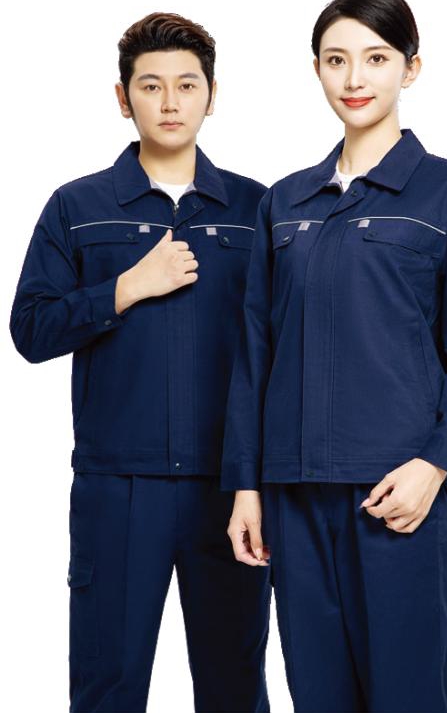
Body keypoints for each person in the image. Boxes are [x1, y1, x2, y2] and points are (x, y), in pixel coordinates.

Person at [220, 1, 447, 712]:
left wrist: (434, 464)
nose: (355, 78)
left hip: (395, 497)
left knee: (408, 695)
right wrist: (246, 486)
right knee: (317, 696)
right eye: (337, 59)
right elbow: (255, 352)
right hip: (292, 496)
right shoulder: (285, 202)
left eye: (377, 58)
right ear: (318, 69)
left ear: (411, 68)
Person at [9, 11, 271, 713]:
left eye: (187, 85)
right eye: (151, 86)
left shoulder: (257, 208)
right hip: (117, 490)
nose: (170, 102)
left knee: (235, 690)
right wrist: (124, 288)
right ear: (123, 98)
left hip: (229, 489)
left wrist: (259, 478)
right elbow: (29, 329)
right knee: (108, 690)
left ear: (212, 95)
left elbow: (278, 347)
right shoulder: (77, 206)